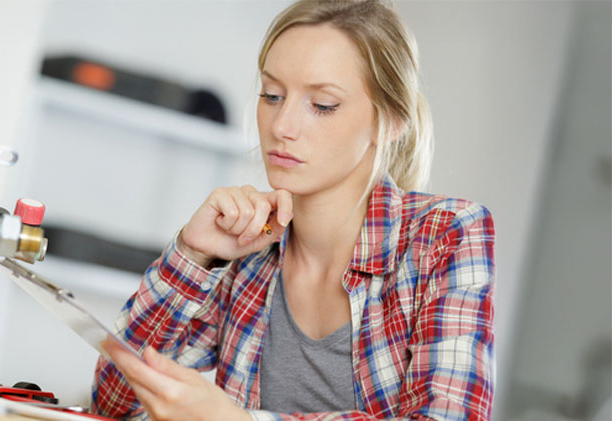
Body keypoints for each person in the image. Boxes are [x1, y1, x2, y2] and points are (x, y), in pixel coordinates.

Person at [92, 0, 496, 419]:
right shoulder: (247, 250)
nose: (281, 126)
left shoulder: (446, 235)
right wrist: (192, 255)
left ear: (389, 121)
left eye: (322, 105)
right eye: (271, 95)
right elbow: (114, 405)